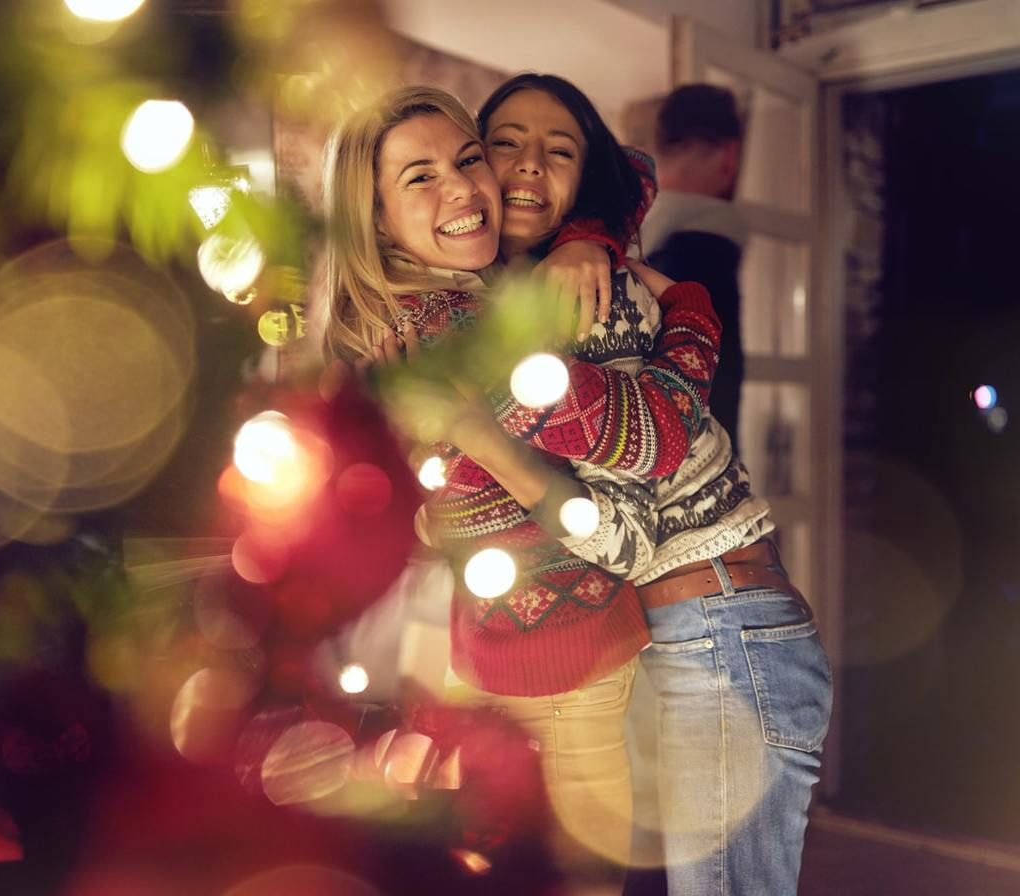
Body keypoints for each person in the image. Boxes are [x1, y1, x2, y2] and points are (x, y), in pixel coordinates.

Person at [320, 83, 720, 892]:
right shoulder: (459, 329)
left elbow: (629, 171)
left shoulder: (438, 302)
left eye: (469, 159)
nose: (464, 187)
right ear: (375, 217)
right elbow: (655, 440)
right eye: (419, 177)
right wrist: (691, 313)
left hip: (501, 654)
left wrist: (588, 240)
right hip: (566, 665)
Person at [477, 75, 831, 896]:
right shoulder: (541, 283)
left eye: (557, 150)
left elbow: (631, 528)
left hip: (722, 634)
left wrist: (481, 433)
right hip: (704, 629)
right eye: (504, 143)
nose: (529, 164)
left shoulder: (586, 301)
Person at [643, 83, 748, 447]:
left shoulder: (626, 231)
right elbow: (713, 390)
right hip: (691, 472)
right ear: (730, 156)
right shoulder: (708, 246)